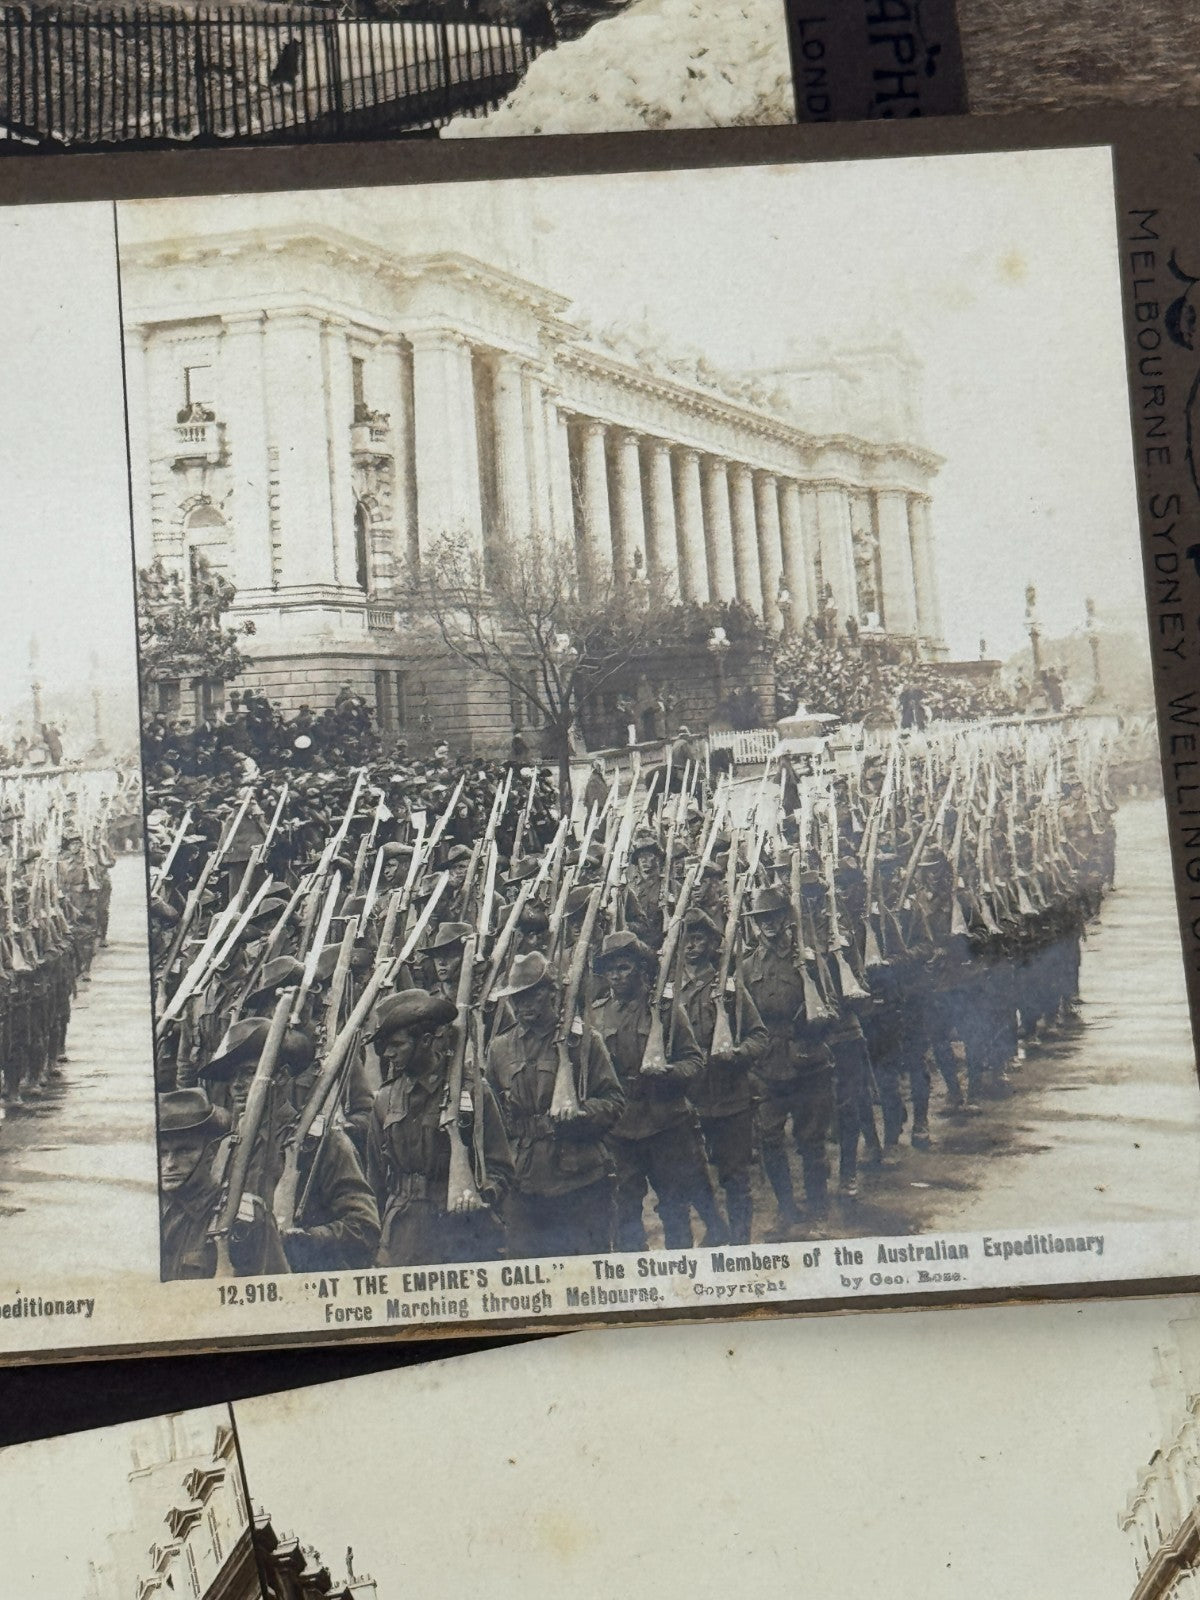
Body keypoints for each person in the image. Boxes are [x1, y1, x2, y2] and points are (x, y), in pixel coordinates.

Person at [487, 951, 624, 1257]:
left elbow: (614, 1101)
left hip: (579, 1179)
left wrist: (581, 1114)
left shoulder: (583, 1042)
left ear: (551, 993)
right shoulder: (499, 1048)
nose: (524, 1004)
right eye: (517, 997)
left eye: (533, 995)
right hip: (524, 1182)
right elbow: (491, 1115)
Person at [365, 989, 513, 1266]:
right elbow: (374, 1179)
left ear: (425, 1041)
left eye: (397, 1044)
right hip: (403, 1237)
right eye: (385, 1045)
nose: (388, 1053)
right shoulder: (384, 1100)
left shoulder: (473, 1092)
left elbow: (501, 1167)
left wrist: (480, 1195)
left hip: (460, 1236)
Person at [592, 930, 708, 1251]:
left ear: (641, 968)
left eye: (624, 967)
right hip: (620, 1129)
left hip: (665, 1123)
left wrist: (669, 1073)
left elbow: (695, 1061)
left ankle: (680, 1272)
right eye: (611, 969)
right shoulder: (597, 1014)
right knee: (625, 1210)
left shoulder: (666, 1010)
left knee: (674, 1205)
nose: (616, 976)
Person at [743, 885, 833, 1235]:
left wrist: (812, 1029)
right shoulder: (747, 966)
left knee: (811, 1139)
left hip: (808, 1061)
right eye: (762, 919)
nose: (768, 924)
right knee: (769, 1139)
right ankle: (786, 1208)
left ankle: (818, 1207)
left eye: (774, 917)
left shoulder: (807, 959)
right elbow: (742, 1020)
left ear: (785, 919)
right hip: (767, 1066)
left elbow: (831, 1007)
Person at [678, 909, 768, 1244]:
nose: (691, 946)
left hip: (730, 1096)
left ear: (712, 944)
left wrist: (738, 1053)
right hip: (688, 1099)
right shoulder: (668, 993)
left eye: (698, 939)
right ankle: (716, 1228)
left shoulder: (728, 988)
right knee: (691, 1175)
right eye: (686, 940)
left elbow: (759, 1036)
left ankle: (740, 1246)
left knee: (735, 1177)